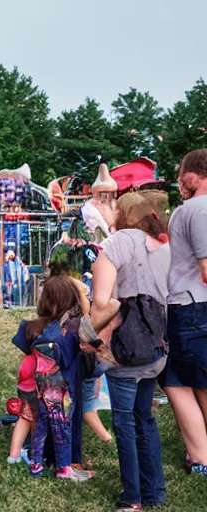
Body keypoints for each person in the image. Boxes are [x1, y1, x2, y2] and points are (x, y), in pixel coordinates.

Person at [90, 191, 169, 511]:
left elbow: (102, 302)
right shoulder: (165, 246)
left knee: (125, 422)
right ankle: (155, 492)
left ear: (122, 213)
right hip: (156, 348)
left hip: (125, 348)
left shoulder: (115, 244)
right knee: (144, 418)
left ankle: (132, 497)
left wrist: (87, 332)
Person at [11, 275, 91, 482]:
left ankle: (36, 462)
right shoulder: (72, 328)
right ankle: (64, 467)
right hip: (60, 390)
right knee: (61, 427)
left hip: (36, 388)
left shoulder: (33, 328)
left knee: (40, 426)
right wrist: (78, 289)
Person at [162, 149, 207, 477]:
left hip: (191, 306)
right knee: (182, 380)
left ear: (193, 175)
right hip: (191, 305)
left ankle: (202, 456)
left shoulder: (195, 209)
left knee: (186, 380)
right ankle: (199, 455)